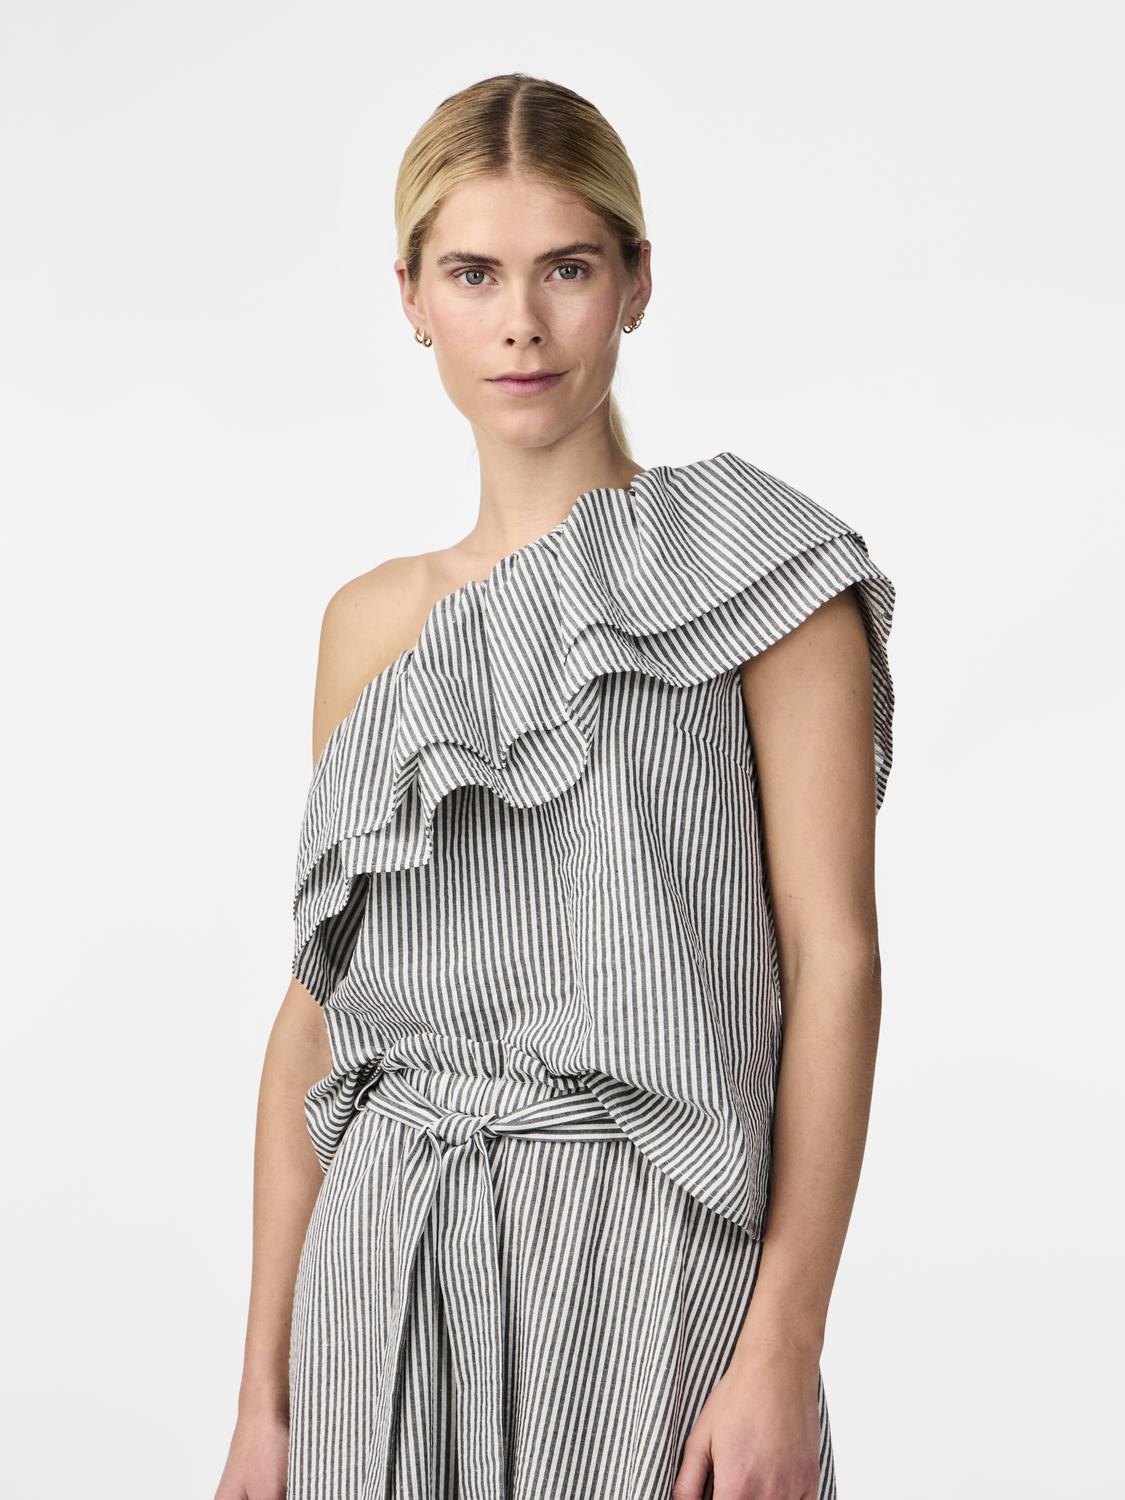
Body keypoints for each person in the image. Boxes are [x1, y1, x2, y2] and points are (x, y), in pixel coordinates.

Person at [215, 72, 895, 1500]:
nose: (520, 321)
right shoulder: (369, 625)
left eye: (567, 268)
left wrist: (783, 1347)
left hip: (651, 1257)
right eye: (473, 273)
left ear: (636, 282)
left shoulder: (765, 579)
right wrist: (260, 1405)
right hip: (385, 1261)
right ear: (411, 297)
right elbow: (316, 1018)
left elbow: (834, 962)